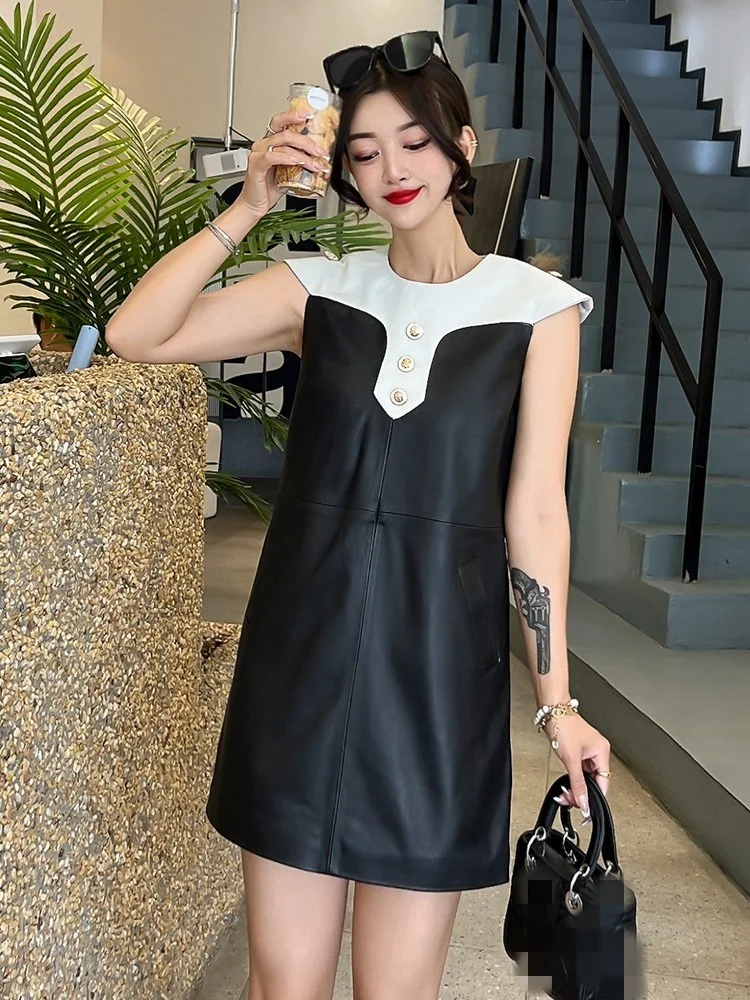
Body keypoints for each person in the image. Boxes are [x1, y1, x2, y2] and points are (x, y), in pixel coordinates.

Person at [105, 30, 611, 1000]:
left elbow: (537, 515)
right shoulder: (316, 289)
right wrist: (248, 207)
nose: (393, 171)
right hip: (298, 676)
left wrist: (557, 700)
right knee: (284, 983)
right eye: (366, 152)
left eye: (415, 143)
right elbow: (135, 333)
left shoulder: (539, 310)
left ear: (462, 146)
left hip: (436, 694)